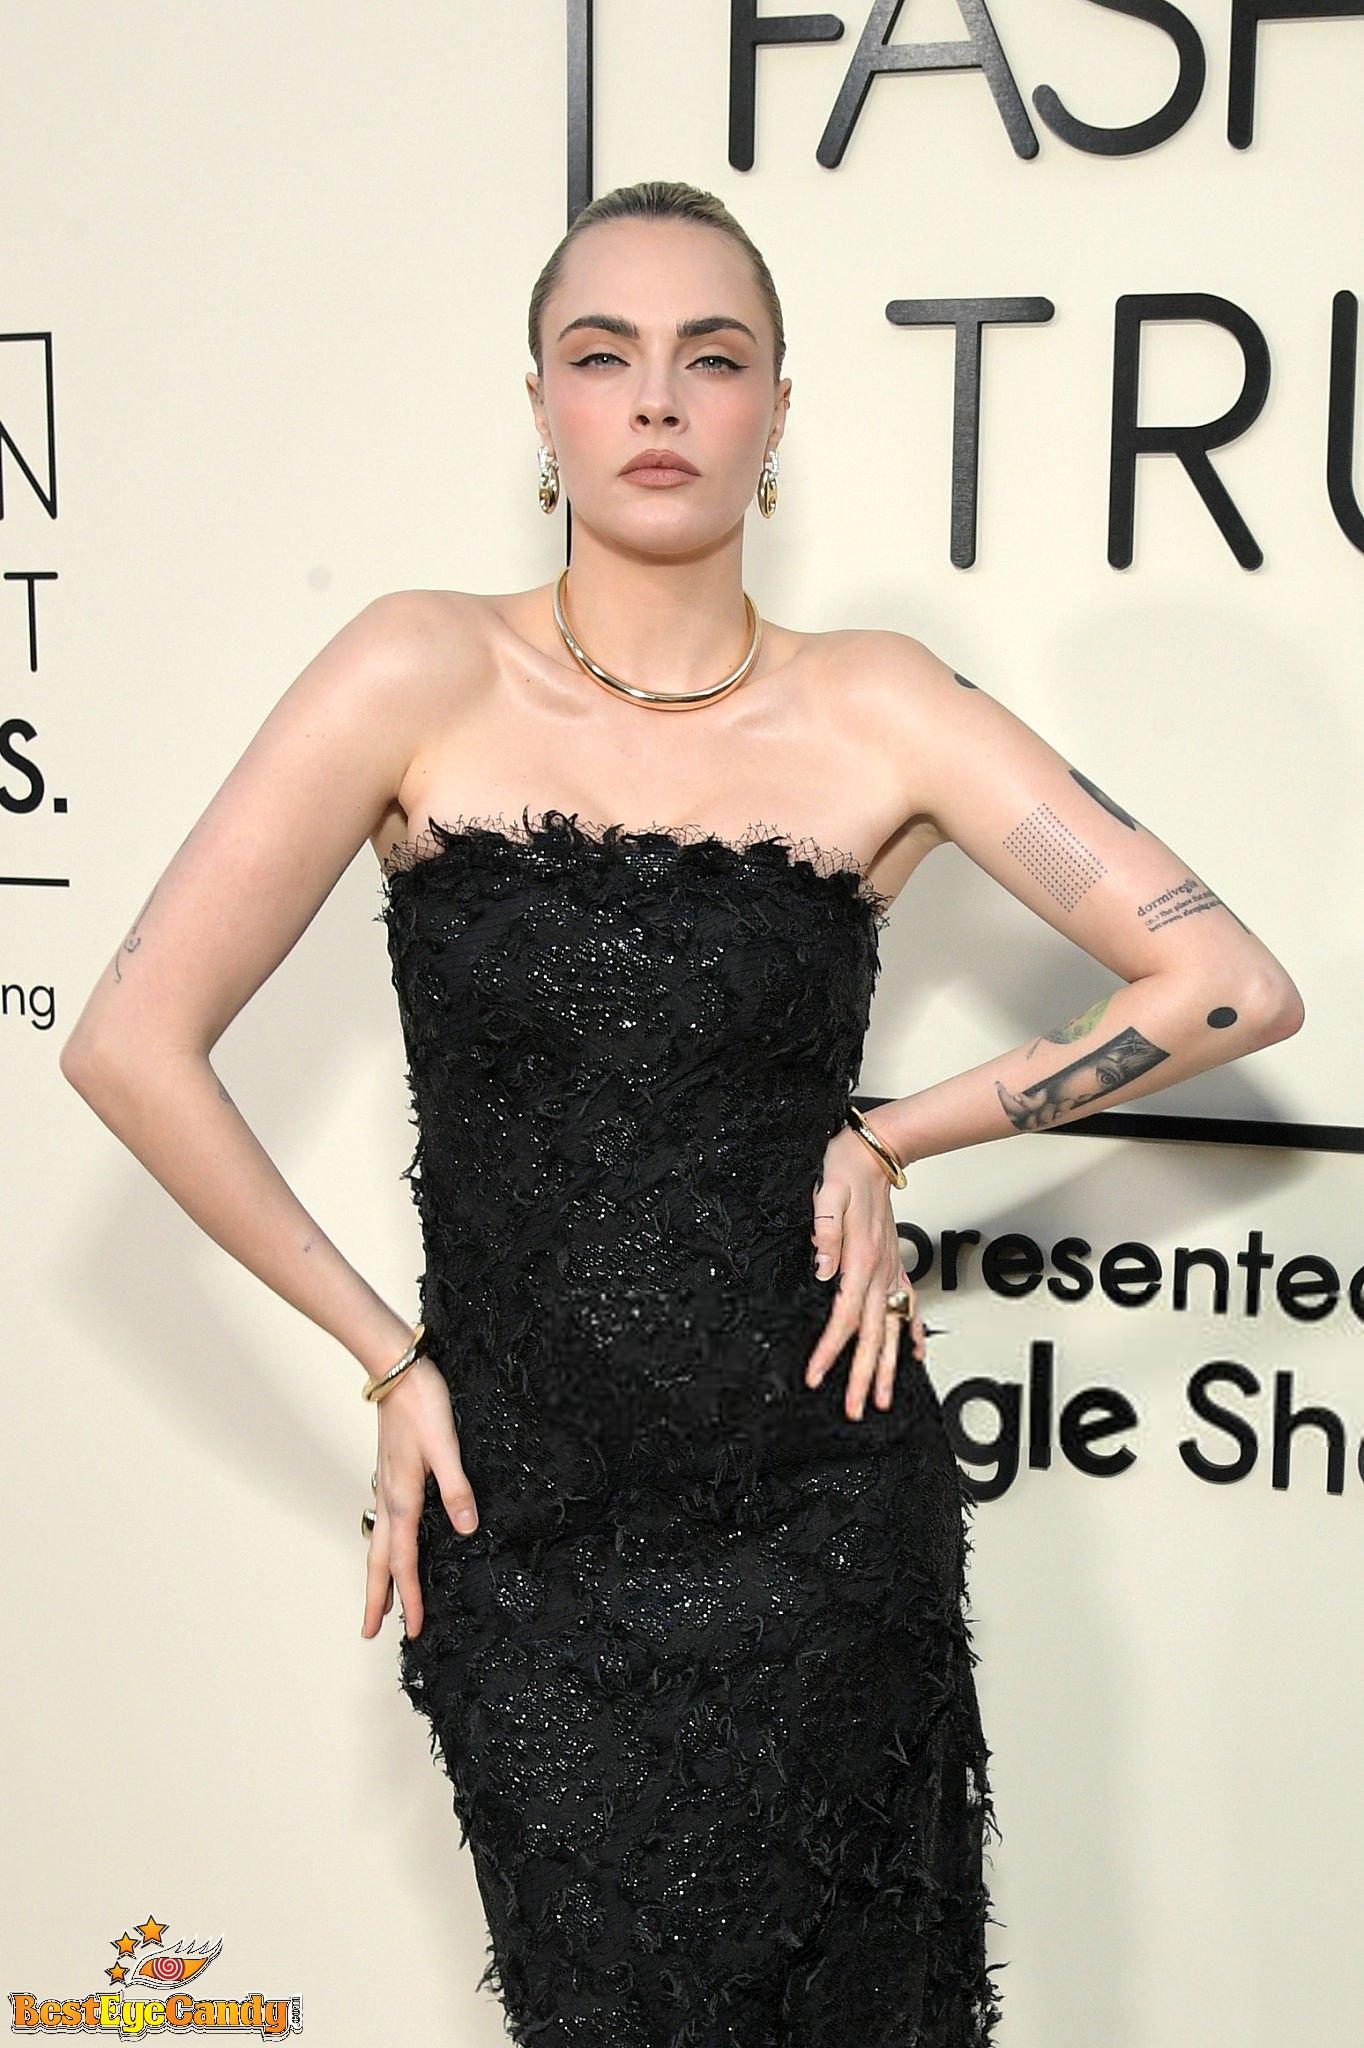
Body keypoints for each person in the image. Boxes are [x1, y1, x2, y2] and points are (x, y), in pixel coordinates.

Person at [60, 178, 1304, 2045]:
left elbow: (1224, 985)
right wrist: (390, 1360)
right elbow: (131, 1043)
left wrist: (896, 1133)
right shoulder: (416, 670)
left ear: (777, 410)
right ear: (541, 405)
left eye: (711, 359)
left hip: (827, 1536)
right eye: (604, 356)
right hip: (535, 1542)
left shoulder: (877, 705)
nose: (656, 399)